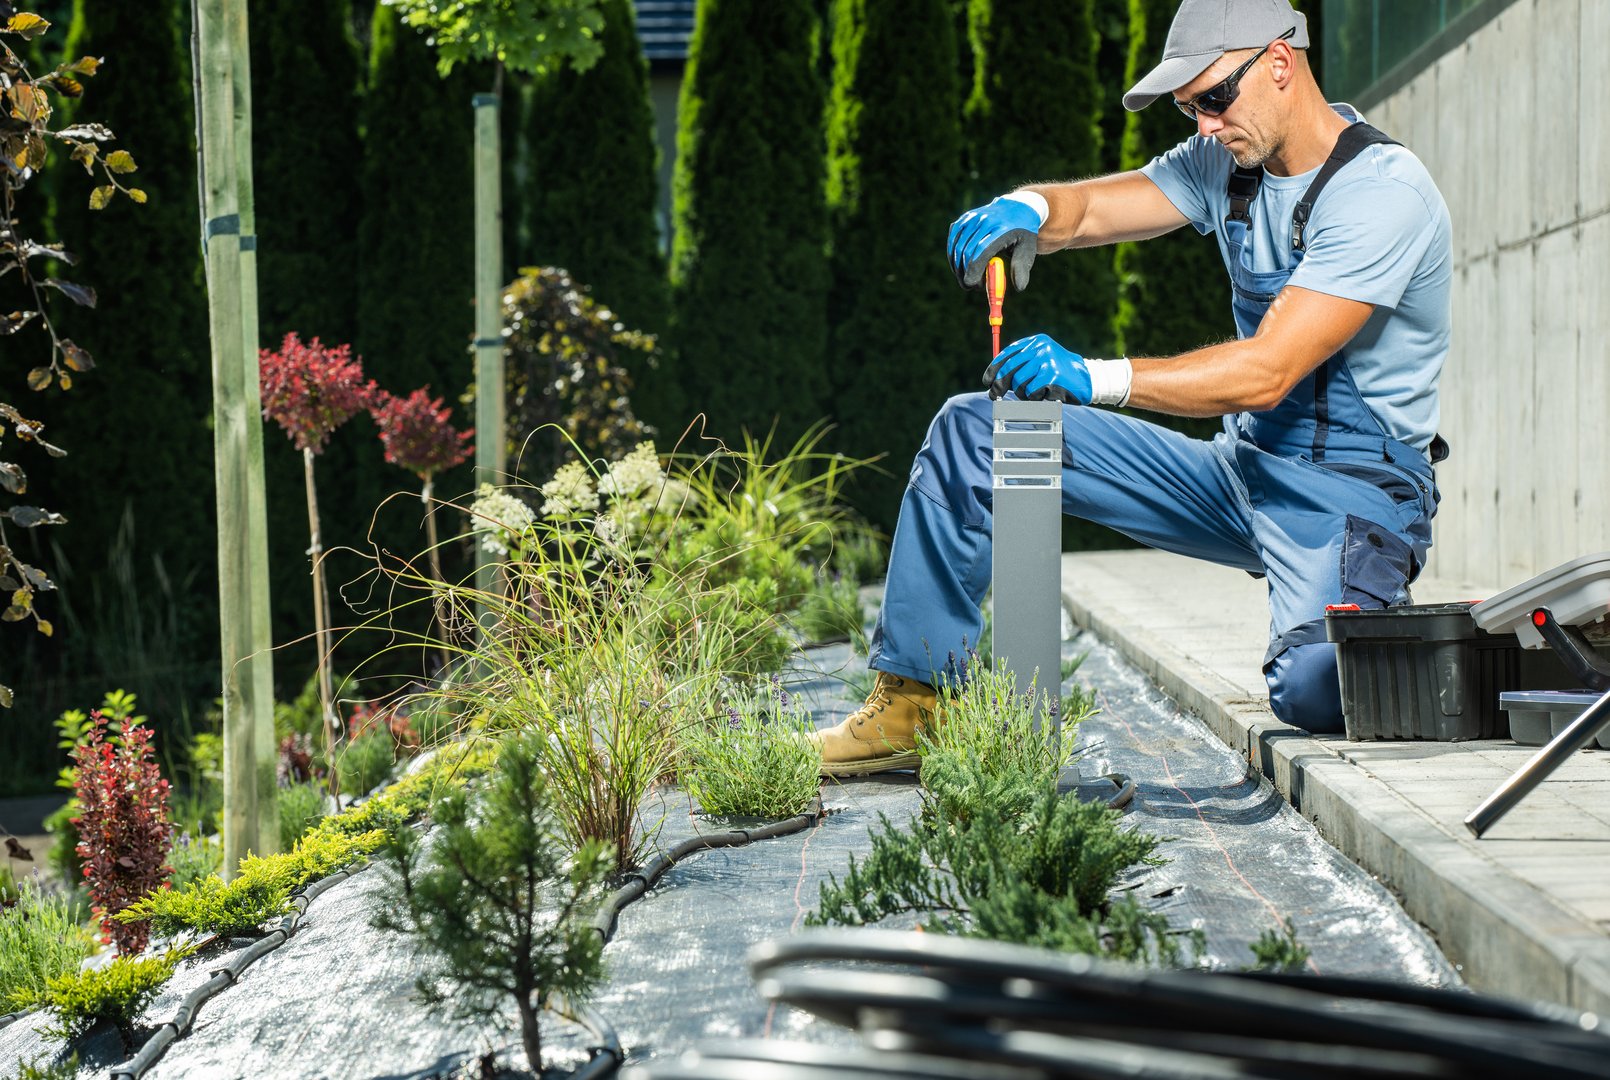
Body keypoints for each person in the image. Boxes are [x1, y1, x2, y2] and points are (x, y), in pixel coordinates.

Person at [809, 0, 1452, 775]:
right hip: (1241, 473)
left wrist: (1093, 376)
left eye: (1214, 98)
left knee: (1315, 688)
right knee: (975, 432)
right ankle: (914, 702)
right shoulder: (1230, 163)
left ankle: (1396, 629)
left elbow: (1268, 369)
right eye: (1189, 109)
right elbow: (1092, 211)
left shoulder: (1383, 192)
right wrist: (1031, 206)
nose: (1205, 126)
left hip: (1351, 496)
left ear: (1281, 63)